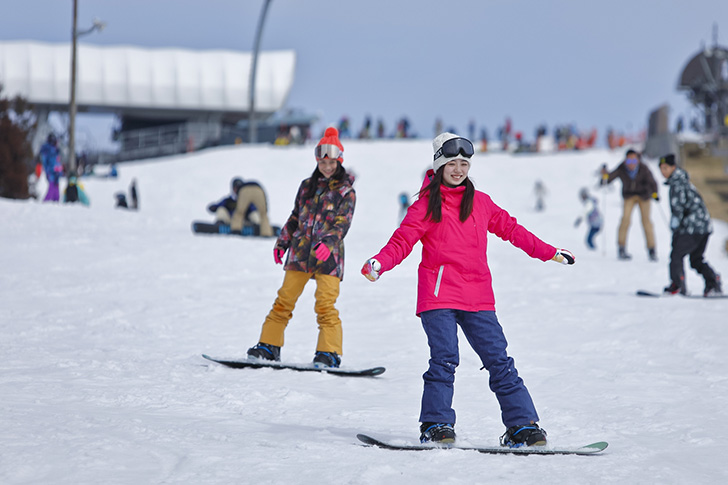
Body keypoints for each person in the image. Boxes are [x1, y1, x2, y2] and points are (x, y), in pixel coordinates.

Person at [360, 133, 575, 447]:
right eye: (452, 164)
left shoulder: (481, 203)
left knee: (499, 360)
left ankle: (523, 426)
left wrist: (549, 251)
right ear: (439, 166)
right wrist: (379, 262)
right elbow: (402, 241)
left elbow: (514, 231)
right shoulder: (425, 206)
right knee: (445, 358)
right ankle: (436, 425)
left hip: (477, 295)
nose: (458, 169)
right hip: (439, 294)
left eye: (464, 163)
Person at [246, 127, 356, 368]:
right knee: (284, 300)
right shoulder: (307, 186)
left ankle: (329, 352)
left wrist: (328, 243)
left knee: (325, 305)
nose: (326, 167)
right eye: (322, 162)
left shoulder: (345, 191)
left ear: (339, 160)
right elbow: (295, 217)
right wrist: (282, 242)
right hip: (300, 252)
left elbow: (342, 223)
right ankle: (269, 345)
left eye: (331, 162)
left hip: (329, 257)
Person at [658, 154, 722, 296]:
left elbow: (678, 208)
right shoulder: (683, 181)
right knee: (696, 259)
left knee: (676, 255)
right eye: (661, 169)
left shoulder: (677, 184)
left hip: (693, 227)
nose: (663, 172)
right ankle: (713, 281)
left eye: (665, 168)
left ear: (673, 167)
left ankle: (678, 285)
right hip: (704, 227)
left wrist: (675, 225)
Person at [600, 149, 659, 261]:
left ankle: (652, 249)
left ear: (637, 160)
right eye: (629, 160)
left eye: (633, 160)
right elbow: (610, 177)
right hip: (629, 196)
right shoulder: (622, 168)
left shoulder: (643, 168)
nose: (631, 163)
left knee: (646, 222)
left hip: (644, 196)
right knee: (625, 220)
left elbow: (652, 181)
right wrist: (605, 176)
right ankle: (621, 247)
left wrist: (655, 193)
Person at [207, 177, 274, 236]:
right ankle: (220, 225)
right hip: (230, 221)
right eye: (236, 187)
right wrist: (214, 207)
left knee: (255, 214)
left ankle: (257, 226)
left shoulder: (246, 199)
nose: (237, 190)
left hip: (244, 222)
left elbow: (253, 209)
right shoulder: (228, 200)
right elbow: (219, 205)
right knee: (221, 209)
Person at [39, 133, 63, 202]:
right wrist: (48, 172)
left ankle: (56, 204)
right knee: (51, 189)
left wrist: (60, 170)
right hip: (51, 172)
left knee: (56, 191)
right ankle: (45, 203)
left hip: (57, 173)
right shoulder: (47, 150)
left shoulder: (56, 150)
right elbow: (45, 163)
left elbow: (57, 162)